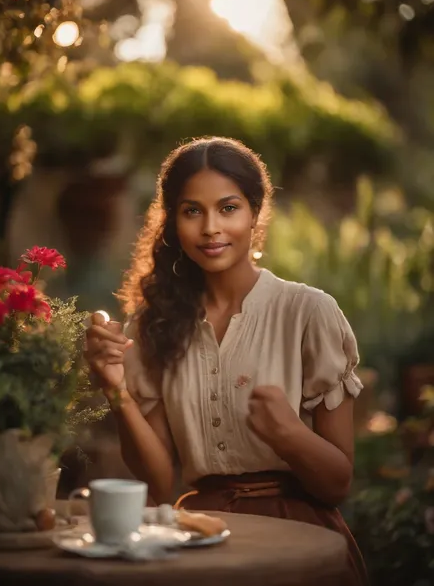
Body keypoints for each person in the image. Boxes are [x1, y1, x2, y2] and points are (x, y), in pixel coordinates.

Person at [84, 136, 368, 585]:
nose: (211, 227)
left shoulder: (308, 312)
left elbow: (338, 485)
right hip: (199, 536)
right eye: (192, 210)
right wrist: (115, 389)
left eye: (229, 208)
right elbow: (159, 483)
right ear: (173, 221)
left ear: (255, 213)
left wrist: (288, 433)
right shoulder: (153, 327)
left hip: (298, 538)